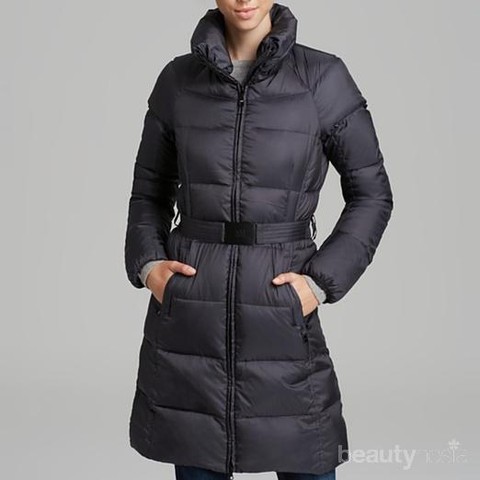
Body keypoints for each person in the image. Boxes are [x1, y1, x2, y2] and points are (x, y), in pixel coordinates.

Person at [124, 2, 394, 480]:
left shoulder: (322, 79)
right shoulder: (178, 82)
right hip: (193, 317)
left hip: (281, 312)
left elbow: (372, 194)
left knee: (307, 462)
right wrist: (151, 267)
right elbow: (149, 191)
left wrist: (319, 283)